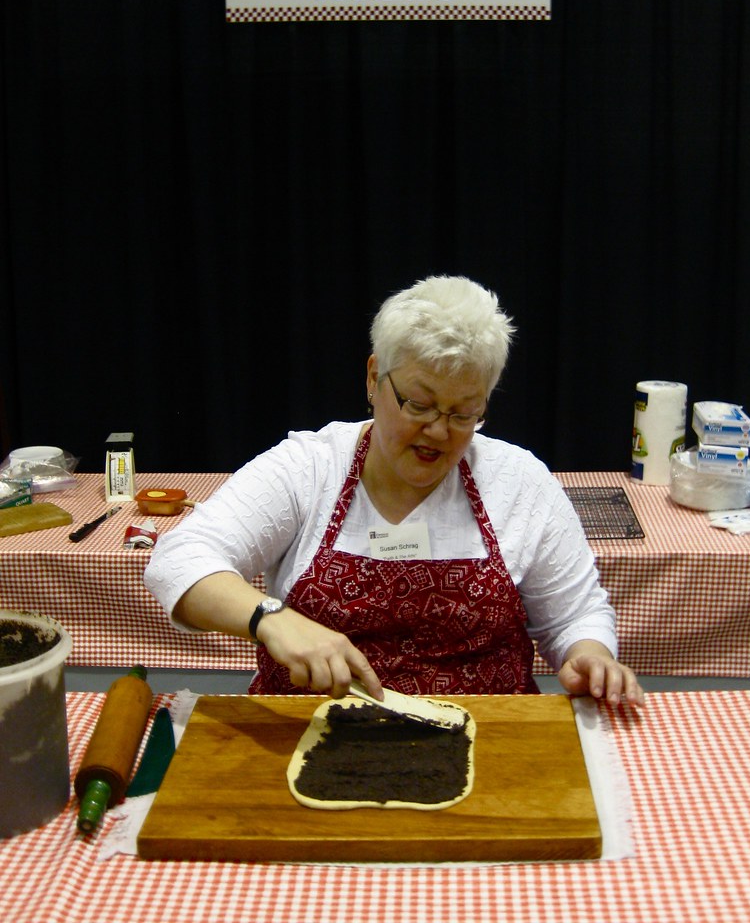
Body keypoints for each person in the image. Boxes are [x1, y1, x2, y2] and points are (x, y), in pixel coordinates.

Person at [144, 276, 644, 708]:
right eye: (419, 404)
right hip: (313, 733)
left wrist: (590, 655)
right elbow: (179, 559)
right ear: (373, 378)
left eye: (464, 413)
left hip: (488, 738)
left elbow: (575, 615)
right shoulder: (309, 469)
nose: (439, 431)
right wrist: (271, 618)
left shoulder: (519, 482)